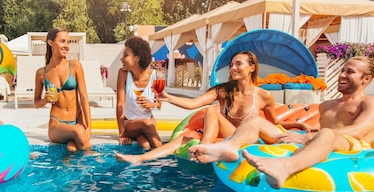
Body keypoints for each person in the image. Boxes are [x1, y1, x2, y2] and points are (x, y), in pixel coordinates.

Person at [188, 56, 374, 189]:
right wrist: (300, 132)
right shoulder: (327, 105)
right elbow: (319, 132)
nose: (342, 75)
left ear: (366, 79)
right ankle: (228, 148)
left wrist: (309, 136)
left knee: (328, 134)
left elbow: (358, 131)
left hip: (351, 146)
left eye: (350, 72)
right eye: (342, 70)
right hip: (318, 141)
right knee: (254, 119)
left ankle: (284, 168)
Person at [115, 51, 310, 164]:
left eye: (238, 64)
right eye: (231, 64)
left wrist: (298, 125)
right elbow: (192, 104)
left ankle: (205, 148)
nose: (233, 68)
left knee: (222, 115)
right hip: (229, 135)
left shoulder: (263, 96)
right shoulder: (223, 91)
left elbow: (274, 122)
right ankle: (139, 159)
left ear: (252, 67)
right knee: (189, 133)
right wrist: (166, 97)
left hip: (249, 136)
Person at [34, 27, 91, 152]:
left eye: (68, 42)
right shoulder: (41, 73)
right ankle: (95, 165)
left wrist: (89, 127)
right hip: (57, 125)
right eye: (62, 41)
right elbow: (36, 103)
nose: (67, 46)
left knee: (72, 149)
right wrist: (45, 100)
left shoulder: (75, 66)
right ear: (50, 43)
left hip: (78, 120)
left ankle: (69, 166)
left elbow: (84, 97)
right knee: (78, 131)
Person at [116, 36, 163, 149]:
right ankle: (165, 158)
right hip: (130, 123)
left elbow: (159, 104)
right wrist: (122, 133)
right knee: (147, 124)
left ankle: (151, 163)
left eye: (125, 55)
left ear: (137, 58)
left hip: (149, 120)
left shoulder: (157, 75)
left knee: (145, 145)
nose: (121, 59)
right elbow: (120, 105)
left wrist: (150, 104)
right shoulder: (123, 74)